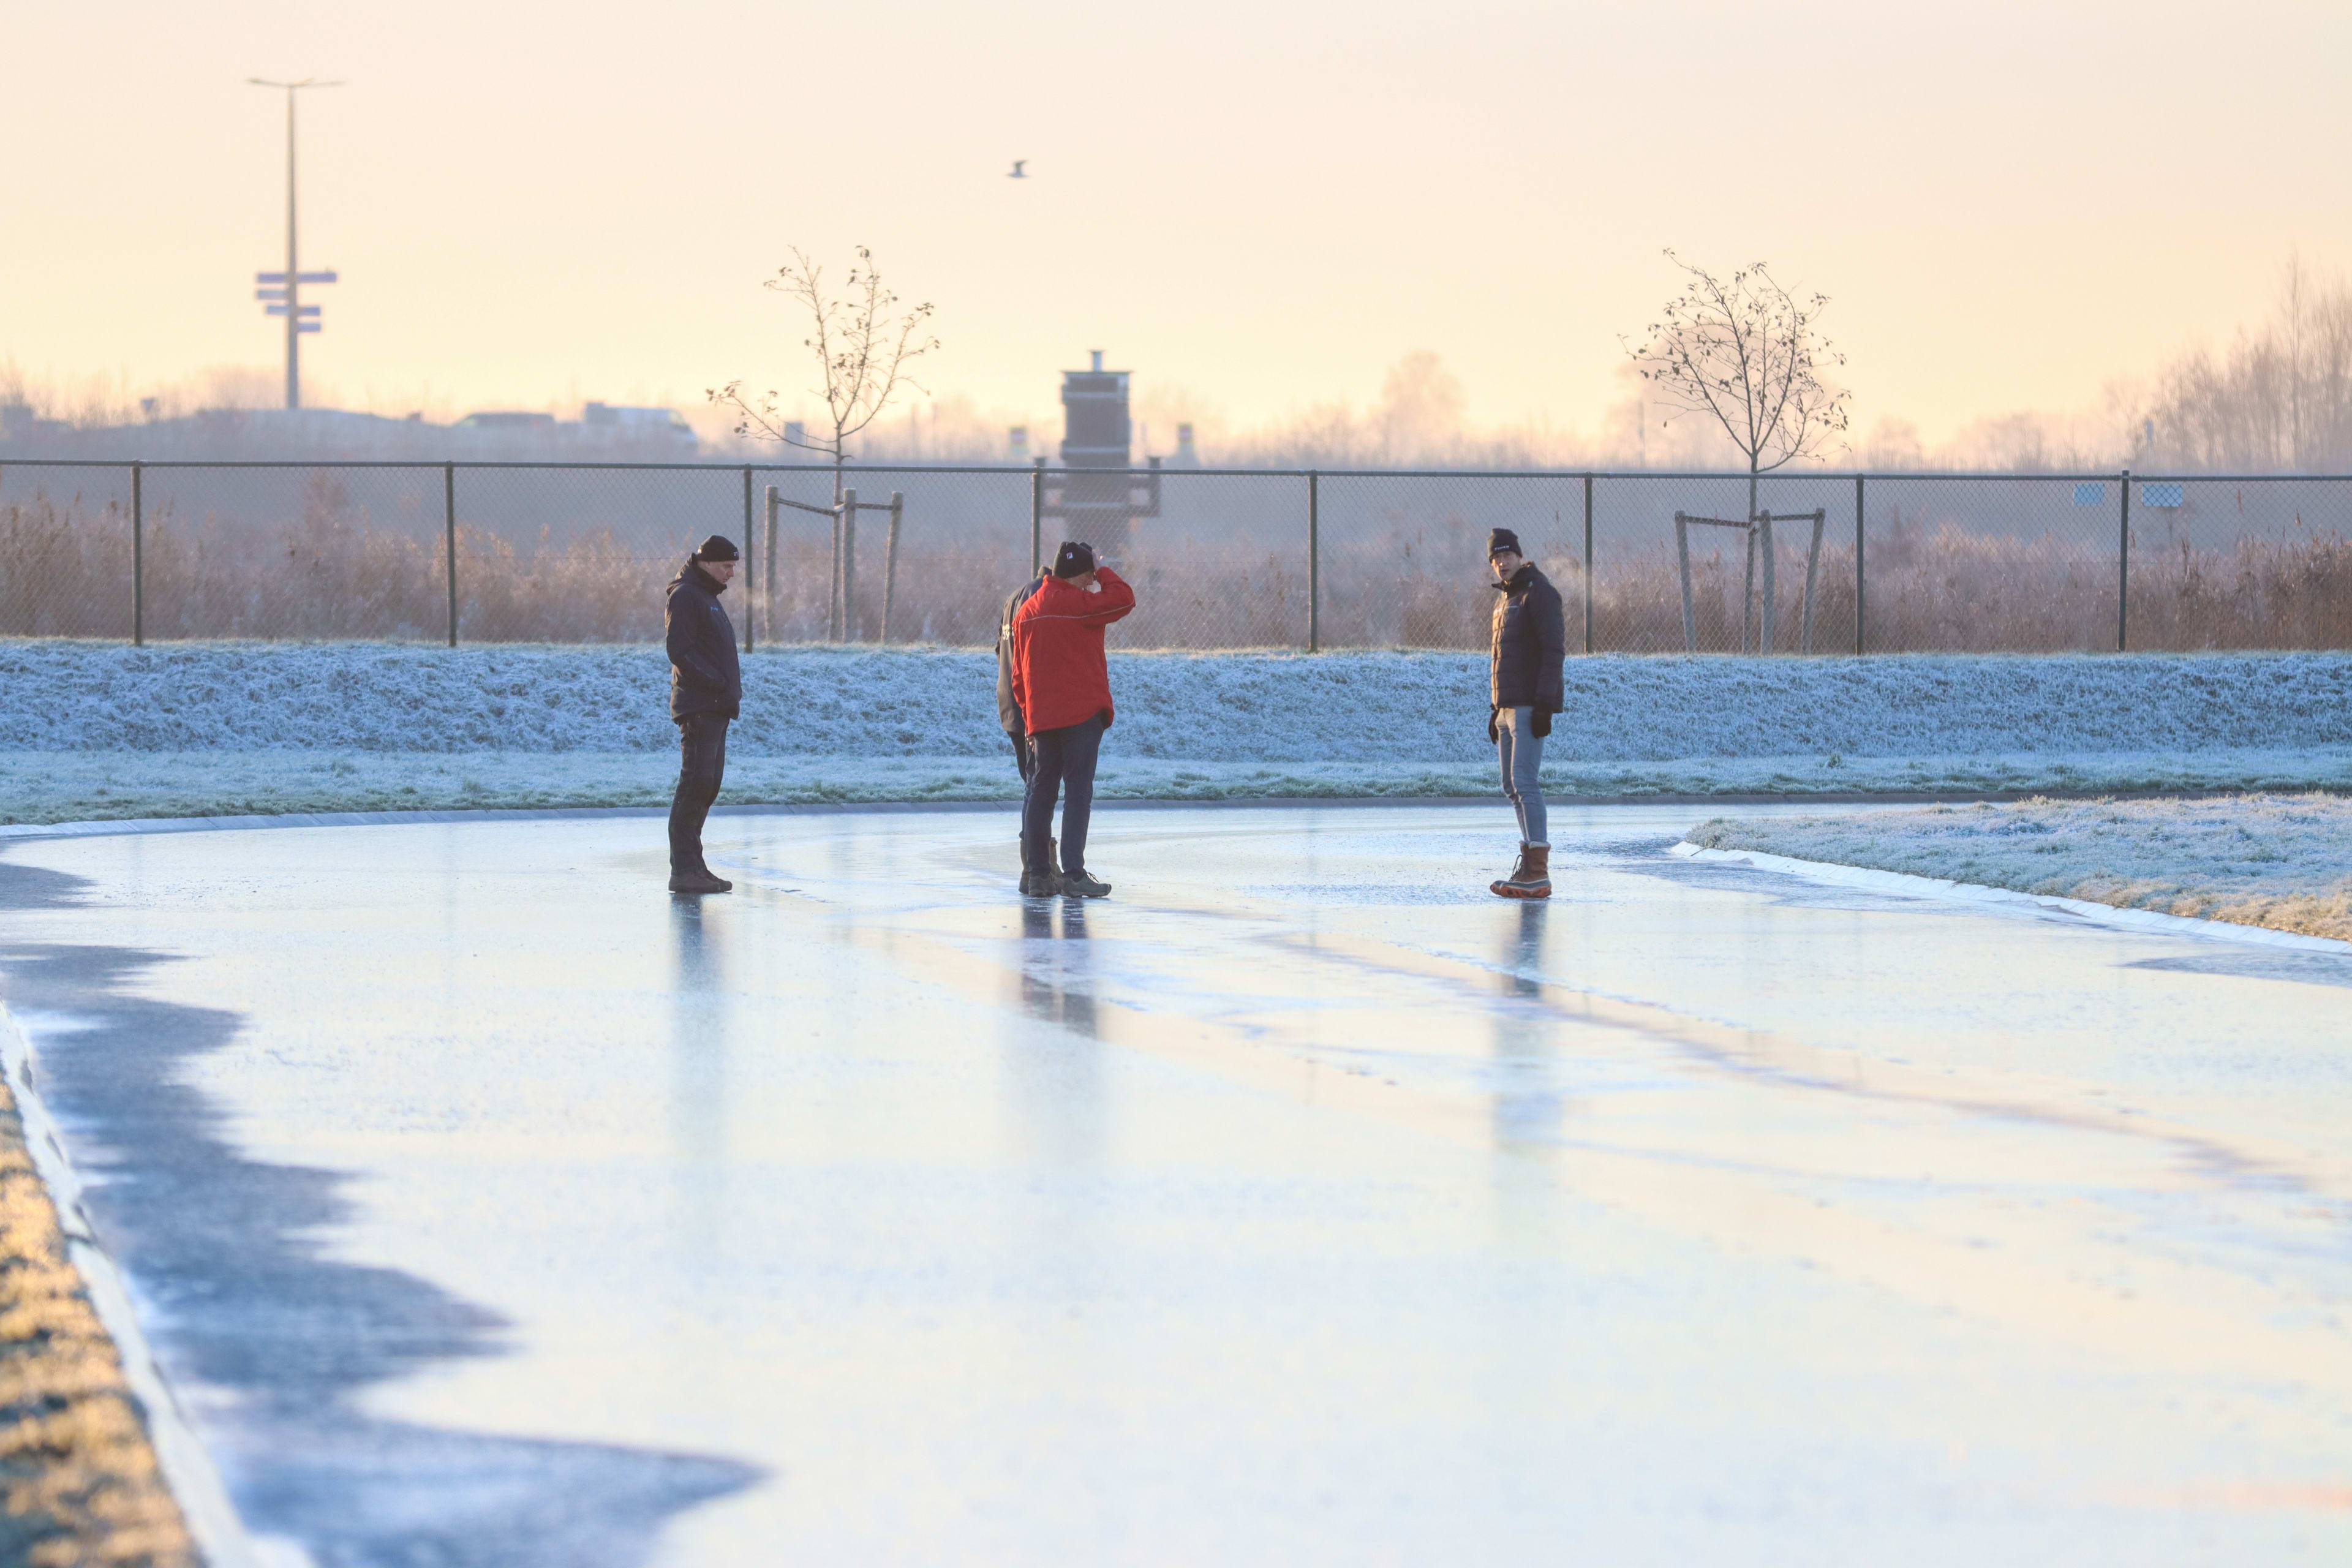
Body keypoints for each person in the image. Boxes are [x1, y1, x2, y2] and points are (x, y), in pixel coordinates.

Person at [1010, 541, 1136, 899]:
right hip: (1081, 715)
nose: (1091, 584)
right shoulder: (1080, 605)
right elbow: (1124, 598)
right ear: (1081, 574)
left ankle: (1038, 875)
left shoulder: (1028, 612)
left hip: (1043, 719)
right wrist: (1103, 568)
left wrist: (1030, 719)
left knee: (1042, 793)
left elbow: (1019, 676)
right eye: (1088, 578)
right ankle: (1074, 875)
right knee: (1078, 793)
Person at [1484, 527, 1565, 899]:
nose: (1502, 562)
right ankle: (1528, 863)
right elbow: (1503, 658)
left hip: (1530, 706)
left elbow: (1553, 651)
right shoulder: (1505, 600)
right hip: (1507, 707)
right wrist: (1495, 707)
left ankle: (1539, 873)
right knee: (1510, 786)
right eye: (1495, 558)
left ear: (1519, 555)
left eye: (1506, 555)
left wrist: (1545, 705)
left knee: (1525, 782)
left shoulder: (1538, 593)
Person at [666, 534, 742, 895]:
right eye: (727, 566)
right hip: (699, 707)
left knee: (707, 786)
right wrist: (714, 683)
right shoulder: (686, 596)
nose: (731, 573)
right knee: (694, 785)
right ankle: (683, 871)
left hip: (715, 708)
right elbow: (679, 650)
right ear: (707, 562)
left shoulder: (707, 597)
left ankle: (695, 866)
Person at [997, 565, 1053, 875]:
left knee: (1032, 784)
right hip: (1028, 704)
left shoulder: (1012, 598)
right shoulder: (1040, 597)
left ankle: (1036, 864)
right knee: (1038, 787)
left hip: (1008, 702)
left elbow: (1000, 650)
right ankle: (1036, 866)